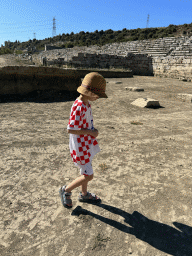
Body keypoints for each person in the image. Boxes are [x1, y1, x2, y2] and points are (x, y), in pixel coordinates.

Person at [59, 72, 108, 208]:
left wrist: (92, 131)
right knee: (88, 175)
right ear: (89, 92)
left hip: (85, 144)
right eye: (98, 94)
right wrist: (90, 132)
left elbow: (84, 124)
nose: (98, 97)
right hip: (80, 146)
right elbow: (70, 129)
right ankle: (66, 190)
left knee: (85, 170)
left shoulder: (86, 104)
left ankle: (84, 193)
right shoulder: (79, 106)